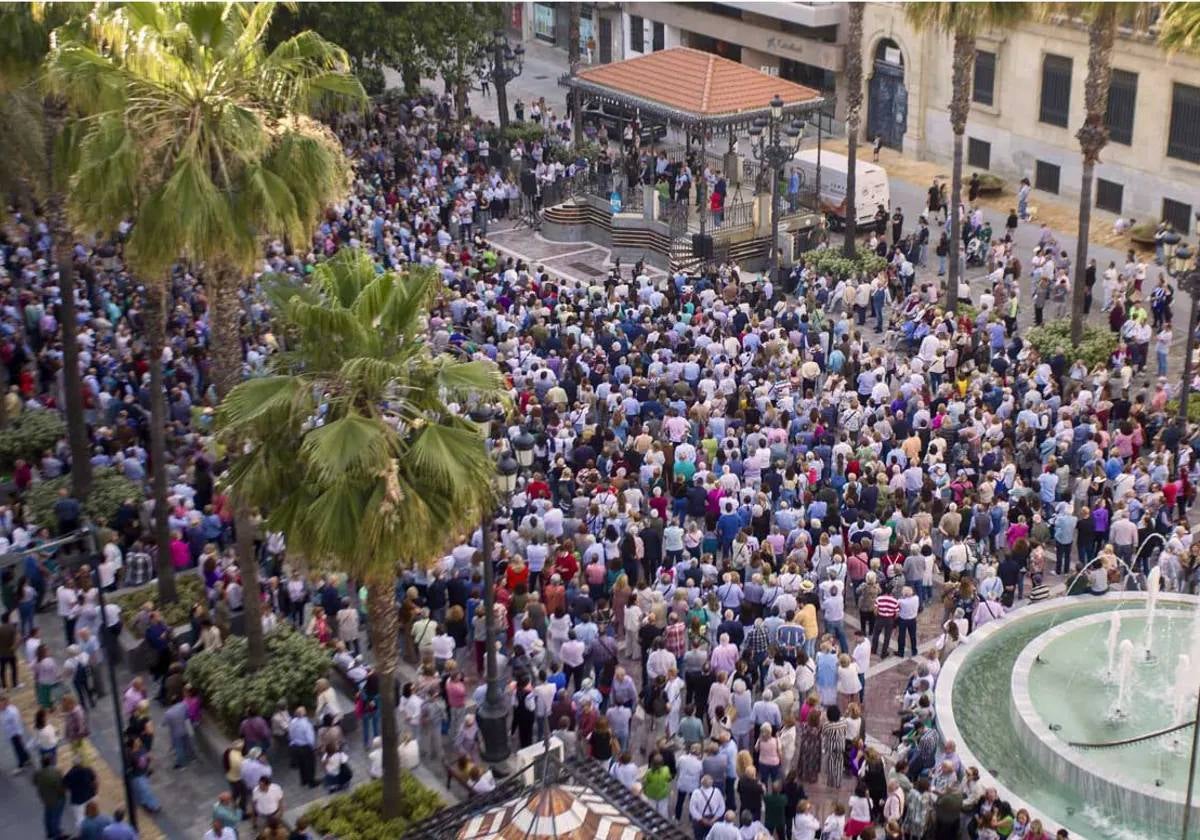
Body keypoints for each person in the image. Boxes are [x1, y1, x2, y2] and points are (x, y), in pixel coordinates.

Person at [33, 753, 66, 840]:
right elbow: (60, 787)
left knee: (48, 815)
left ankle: (50, 833)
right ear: (50, 762)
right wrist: (63, 795)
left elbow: (34, 782)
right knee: (56, 817)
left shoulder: (38, 773)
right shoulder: (55, 772)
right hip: (57, 799)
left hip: (45, 798)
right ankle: (57, 835)